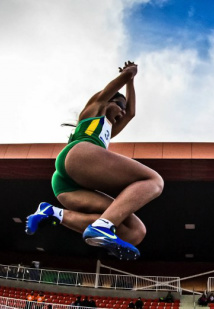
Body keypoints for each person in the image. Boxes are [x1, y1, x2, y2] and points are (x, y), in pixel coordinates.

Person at [25, 61, 164, 261]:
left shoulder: (110, 129)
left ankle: (52, 213)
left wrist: (131, 84)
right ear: (109, 101)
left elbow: (132, 113)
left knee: (134, 232)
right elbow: (121, 81)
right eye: (120, 106)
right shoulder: (94, 110)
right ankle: (103, 226)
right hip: (77, 156)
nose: (123, 112)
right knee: (154, 181)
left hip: (66, 187)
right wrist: (130, 72)